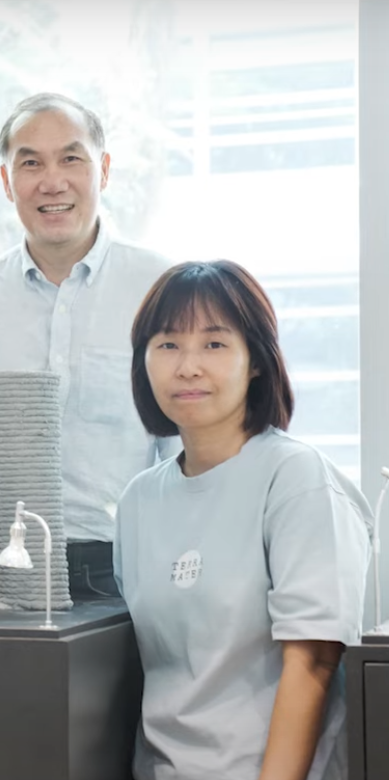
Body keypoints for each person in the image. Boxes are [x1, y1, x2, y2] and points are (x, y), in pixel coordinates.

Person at [0, 92, 175, 596]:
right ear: (7, 181)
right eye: (30, 163)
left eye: (72, 159)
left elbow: (195, 448)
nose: (53, 182)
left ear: (104, 170)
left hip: (126, 568)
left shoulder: (162, 289)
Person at [115, 260, 371, 780]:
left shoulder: (295, 476)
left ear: (256, 360)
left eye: (214, 344)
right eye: (167, 344)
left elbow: (315, 662)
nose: (187, 366)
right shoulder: (140, 499)